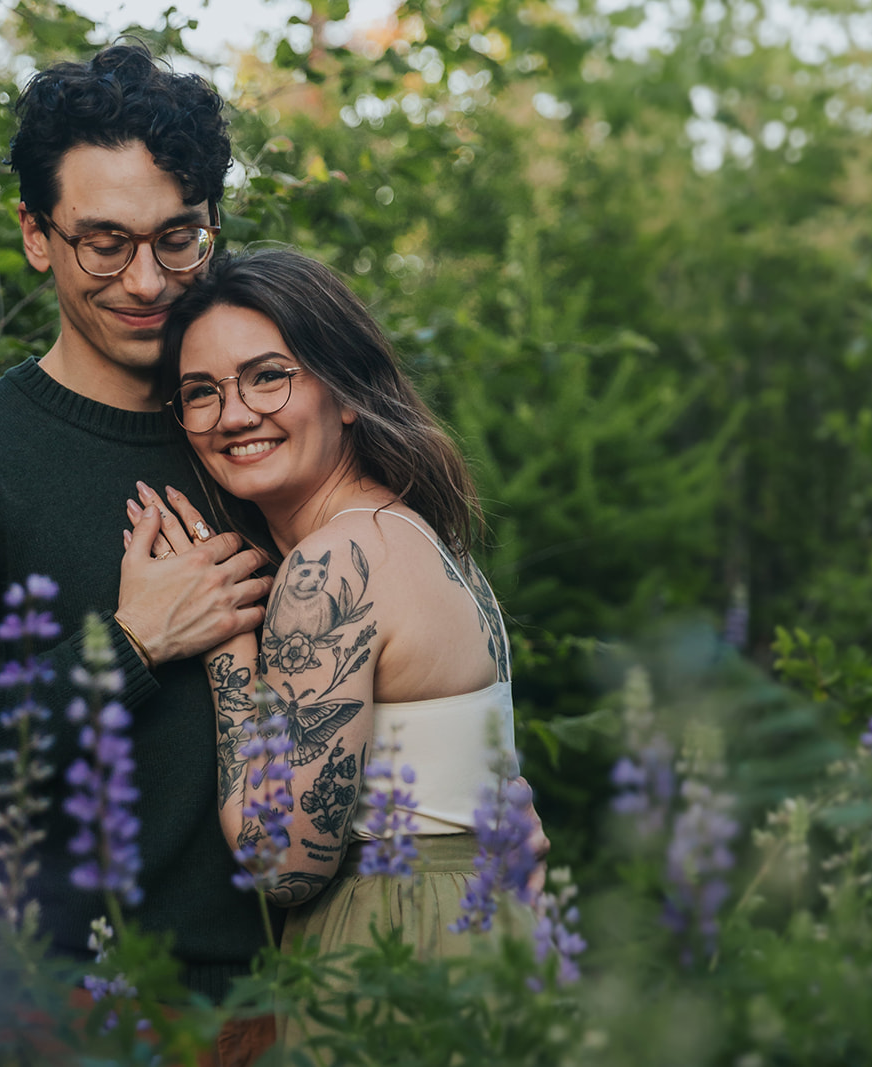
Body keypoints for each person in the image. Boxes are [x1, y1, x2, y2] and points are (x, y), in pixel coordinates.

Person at [0, 44, 279, 1017]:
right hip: (89, 1013)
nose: (146, 280)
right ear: (36, 235)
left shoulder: (265, 431)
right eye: (104, 241)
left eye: (178, 238)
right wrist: (129, 646)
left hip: (314, 993)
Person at [134, 249, 541, 1039]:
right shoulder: (424, 538)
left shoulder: (335, 562)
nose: (233, 413)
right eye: (201, 392)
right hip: (483, 935)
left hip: (395, 950)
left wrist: (227, 650)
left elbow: (281, 862)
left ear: (344, 391)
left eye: (267, 375)